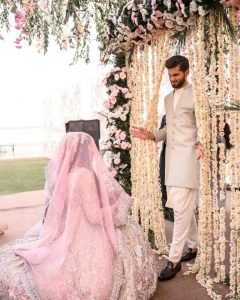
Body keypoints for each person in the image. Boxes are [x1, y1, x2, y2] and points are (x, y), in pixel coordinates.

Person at [0, 132, 157, 299]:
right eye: (91, 146)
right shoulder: (84, 175)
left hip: (66, 228)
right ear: (84, 149)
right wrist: (114, 208)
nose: (93, 150)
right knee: (128, 236)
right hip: (83, 232)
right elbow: (94, 217)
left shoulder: (64, 173)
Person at [131, 55, 204, 281]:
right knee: (183, 207)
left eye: (176, 75)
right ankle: (193, 246)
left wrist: (203, 142)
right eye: (170, 75)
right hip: (172, 162)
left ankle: (173, 261)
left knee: (181, 210)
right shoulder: (168, 99)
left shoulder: (198, 96)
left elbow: (206, 125)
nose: (172, 79)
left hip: (191, 159)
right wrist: (152, 135)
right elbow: (169, 130)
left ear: (186, 72)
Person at [158, 115, 174, 222]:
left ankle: (172, 210)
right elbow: (160, 133)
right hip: (166, 152)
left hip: (176, 153)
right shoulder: (165, 117)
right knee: (164, 181)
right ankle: (167, 210)